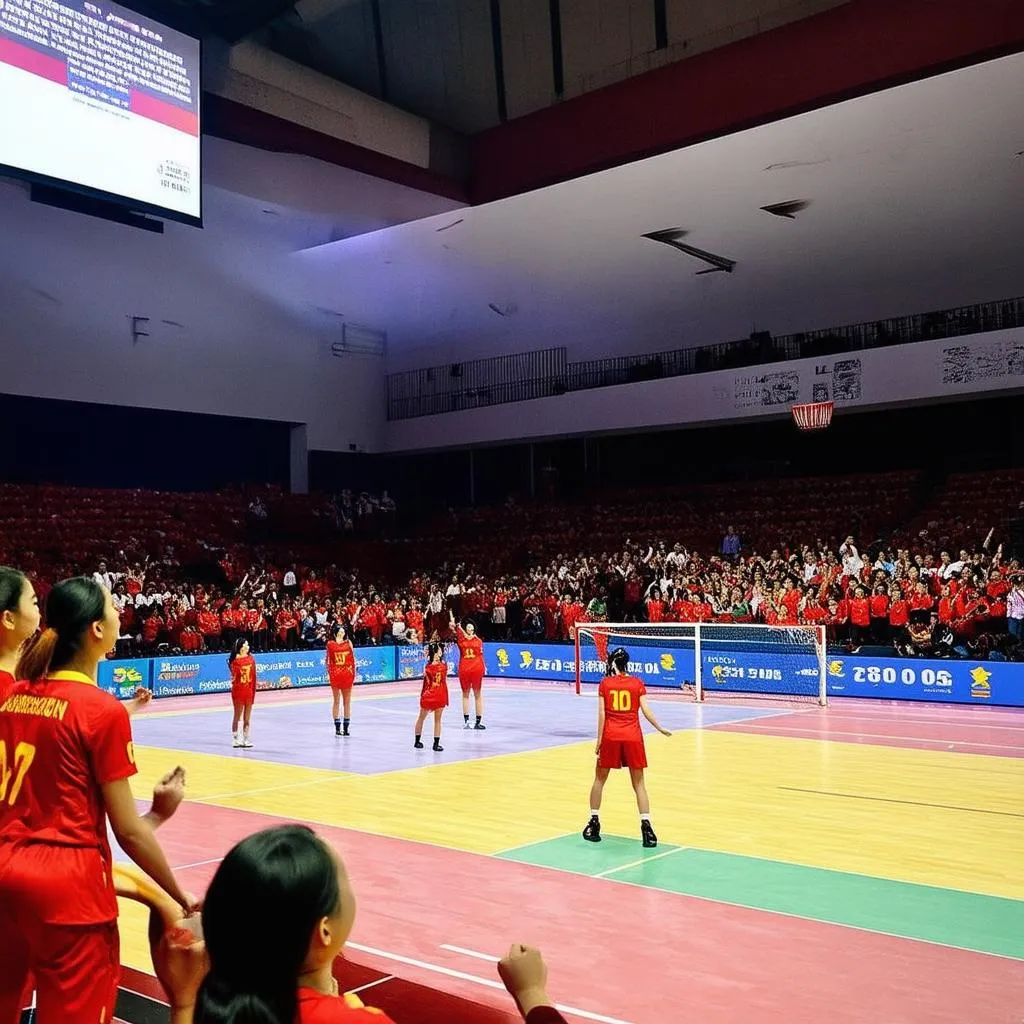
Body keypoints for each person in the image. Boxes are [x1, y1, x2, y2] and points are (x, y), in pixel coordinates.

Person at [0, 577, 196, 1024]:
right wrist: (179, 894)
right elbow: (127, 832)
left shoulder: (14, 697)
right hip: (68, 891)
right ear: (95, 630)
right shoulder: (99, 710)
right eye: (112, 608)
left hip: (6, 879)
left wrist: (156, 815)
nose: (118, 615)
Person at [146, 824, 573, 1024]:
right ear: (325, 931)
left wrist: (182, 1003)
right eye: (344, 879)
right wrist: (533, 995)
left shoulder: (216, 1006)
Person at [583, 646, 671, 849]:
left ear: (613, 664)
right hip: (633, 736)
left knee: (599, 779)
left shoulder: (605, 684)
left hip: (611, 736)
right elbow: (646, 710)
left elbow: (602, 715)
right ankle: (647, 828)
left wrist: (598, 742)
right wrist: (659, 728)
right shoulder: (637, 683)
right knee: (639, 784)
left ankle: (594, 823)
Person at [0, 566, 41, 700]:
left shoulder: (32, 666)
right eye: (34, 603)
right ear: (9, 619)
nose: (39, 612)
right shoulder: (7, 689)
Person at [451, 611, 486, 730]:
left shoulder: (462, 640)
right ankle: (477, 721)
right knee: (477, 695)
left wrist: (456, 622)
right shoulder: (478, 641)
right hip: (475, 668)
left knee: (466, 695)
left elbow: (458, 629)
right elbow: (481, 656)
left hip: (465, 668)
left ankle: (467, 721)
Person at [415, 641, 448, 752]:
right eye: (439, 650)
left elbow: (425, 683)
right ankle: (436, 744)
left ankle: (417, 741)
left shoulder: (427, 667)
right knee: (437, 720)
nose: (441, 652)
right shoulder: (443, 667)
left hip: (428, 695)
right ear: (437, 653)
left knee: (421, 718)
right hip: (439, 695)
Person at [326, 622, 356, 737]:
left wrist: (353, 673)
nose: (342, 632)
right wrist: (330, 673)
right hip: (336, 674)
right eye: (340, 630)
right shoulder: (330, 644)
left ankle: (346, 727)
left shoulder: (348, 643)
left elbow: (353, 659)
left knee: (347, 701)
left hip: (347, 675)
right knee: (337, 700)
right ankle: (337, 727)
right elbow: (328, 660)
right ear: (336, 632)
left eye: (343, 630)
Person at [228, 637, 257, 749]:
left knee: (247, 717)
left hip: (248, 690)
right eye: (246, 644)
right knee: (237, 716)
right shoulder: (235, 661)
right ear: (241, 647)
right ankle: (235, 738)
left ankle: (246, 738)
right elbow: (235, 677)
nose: (248, 646)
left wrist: (253, 689)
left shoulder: (251, 659)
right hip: (239, 691)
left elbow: (254, 676)